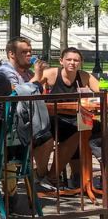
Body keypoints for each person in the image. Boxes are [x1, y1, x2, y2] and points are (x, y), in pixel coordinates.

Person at [34, 47, 99, 189]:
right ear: (61, 61)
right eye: (69, 59)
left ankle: (78, 177)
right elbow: (33, 86)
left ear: (80, 62)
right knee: (79, 130)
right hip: (54, 118)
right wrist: (38, 75)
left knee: (92, 128)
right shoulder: (51, 74)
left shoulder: (84, 76)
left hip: (76, 118)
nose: (72, 63)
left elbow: (101, 93)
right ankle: (54, 176)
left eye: (76, 60)